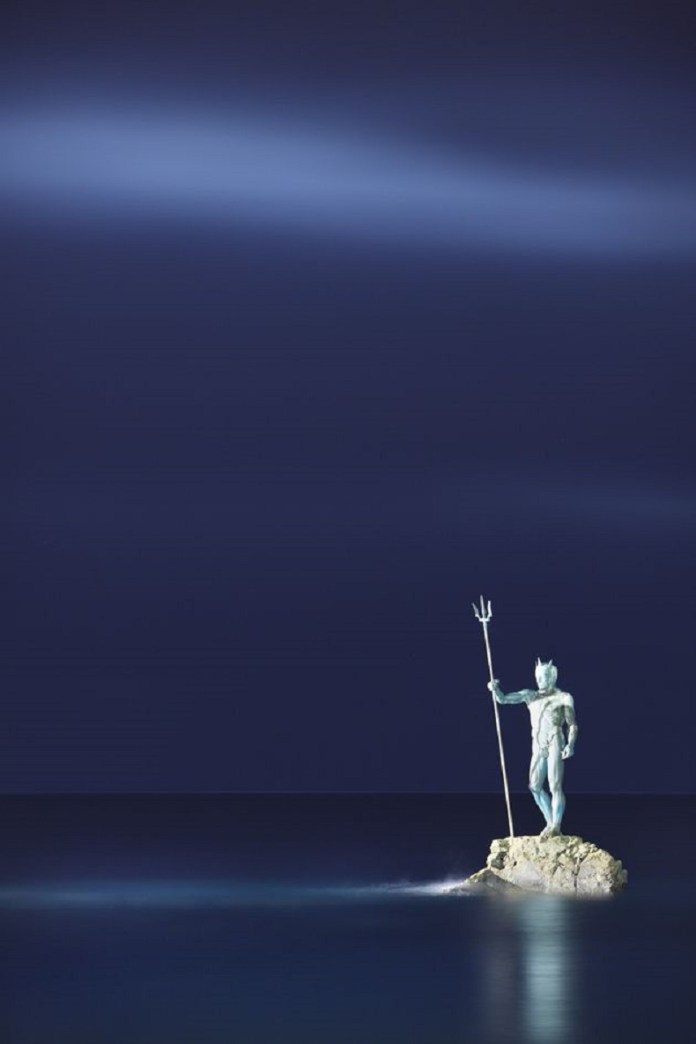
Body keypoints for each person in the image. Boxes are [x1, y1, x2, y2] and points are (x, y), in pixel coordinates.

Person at [488, 659, 578, 838]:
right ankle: (550, 822)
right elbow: (503, 699)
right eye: (537, 677)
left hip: (555, 739)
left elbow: (572, 724)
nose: (539, 680)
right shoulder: (530, 695)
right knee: (535, 786)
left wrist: (570, 744)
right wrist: (495, 689)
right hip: (537, 743)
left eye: (543, 676)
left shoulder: (563, 697)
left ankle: (556, 825)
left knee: (554, 785)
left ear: (552, 677)